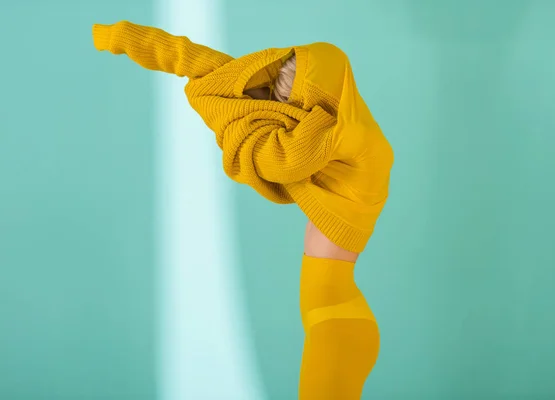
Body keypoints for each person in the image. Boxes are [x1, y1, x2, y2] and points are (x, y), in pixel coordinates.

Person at [92, 21, 394, 399]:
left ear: (324, 99)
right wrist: (117, 35)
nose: (285, 110)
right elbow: (194, 60)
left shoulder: (351, 142)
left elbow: (277, 160)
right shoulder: (332, 127)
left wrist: (237, 114)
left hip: (337, 327)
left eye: (293, 105)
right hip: (332, 316)